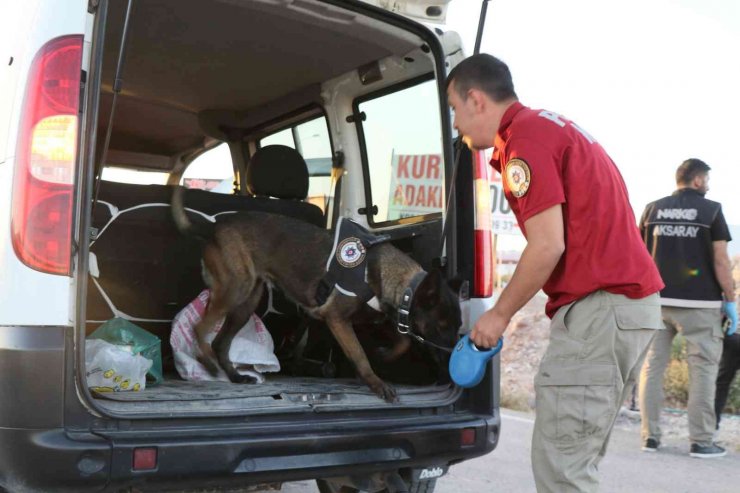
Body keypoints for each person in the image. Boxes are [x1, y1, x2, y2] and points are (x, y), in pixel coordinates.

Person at [446, 54, 664, 493]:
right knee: (576, 461)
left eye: (454, 109)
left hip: (602, 312)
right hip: (626, 310)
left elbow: (547, 245)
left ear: (475, 99)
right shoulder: (551, 126)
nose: (456, 125)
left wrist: (498, 315)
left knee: (562, 470)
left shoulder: (523, 142)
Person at [638, 158, 737, 458]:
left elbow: (639, 254)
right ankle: (701, 441)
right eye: (706, 178)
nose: (708, 184)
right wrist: (730, 300)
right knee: (704, 371)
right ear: (697, 180)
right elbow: (721, 259)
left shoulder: (653, 209)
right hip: (700, 304)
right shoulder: (712, 211)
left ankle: (650, 437)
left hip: (656, 301)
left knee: (652, 368)